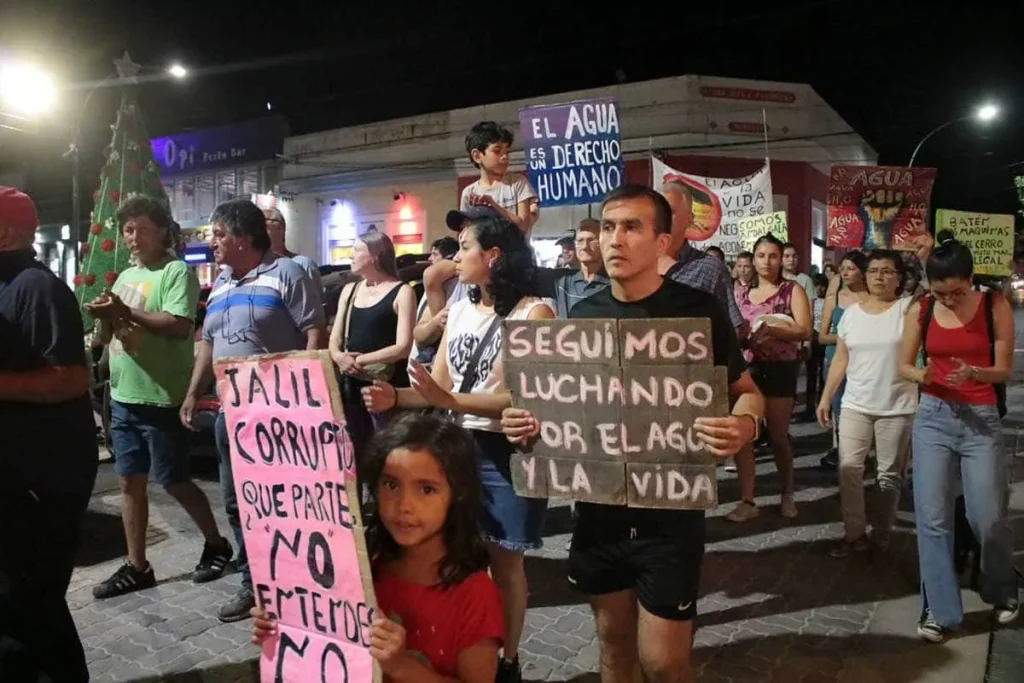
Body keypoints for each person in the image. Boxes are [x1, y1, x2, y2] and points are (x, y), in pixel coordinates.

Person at [501, 185, 764, 683]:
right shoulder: (582, 318)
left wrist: (743, 425)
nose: (614, 239)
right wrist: (526, 424)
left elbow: (745, 391)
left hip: (671, 518)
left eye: (631, 227)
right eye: (607, 227)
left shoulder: (698, 311)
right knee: (614, 646)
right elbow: (560, 411)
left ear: (664, 242)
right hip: (599, 514)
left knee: (664, 663)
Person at [363, 215, 553, 683]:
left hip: (507, 450)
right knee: (455, 557)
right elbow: (440, 385)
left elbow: (532, 396)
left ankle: (507, 661)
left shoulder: (536, 313)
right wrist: (397, 398)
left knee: (506, 563)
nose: (453, 259)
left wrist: (448, 401)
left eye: (462, 248)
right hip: (454, 446)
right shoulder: (461, 304)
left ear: (492, 256)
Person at [251, 415, 504, 682]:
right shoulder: (363, 567)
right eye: (391, 484)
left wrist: (401, 666)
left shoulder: (475, 596)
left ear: (458, 494)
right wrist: (283, 626)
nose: (404, 504)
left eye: (427, 489)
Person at [180, 198, 327, 623]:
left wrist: (308, 395)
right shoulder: (222, 283)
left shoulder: (288, 273)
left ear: (245, 238)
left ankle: (299, 582)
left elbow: (313, 332)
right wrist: (193, 393)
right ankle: (255, 582)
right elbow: (208, 342)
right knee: (238, 502)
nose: (213, 243)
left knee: (286, 501)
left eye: (220, 235)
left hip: (282, 414)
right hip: (233, 413)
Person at [86, 197, 232, 600]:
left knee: (173, 480)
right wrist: (103, 323)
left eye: (142, 229)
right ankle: (137, 566)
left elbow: (176, 325)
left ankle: (217, 544)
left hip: (160, 399)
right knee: (129, 482)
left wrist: (124, 312)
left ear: (164, 232)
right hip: (122, 397)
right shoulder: (124, 278)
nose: (133, 238)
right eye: (128, 230)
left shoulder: (175, 273)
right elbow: (110, 332)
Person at [899, 230, 1018, 642]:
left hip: (980, 418)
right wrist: (921, 373)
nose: (947, 299)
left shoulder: (994, 305)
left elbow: (1004, 368)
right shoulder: (922, 308)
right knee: (932, 520)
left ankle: (1002, 587)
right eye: (939, 291)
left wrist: (978, 374)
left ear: (970, 280)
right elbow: (903, 365)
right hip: (933, 416)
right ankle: (939, 610)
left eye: (955, 291)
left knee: (986, 518)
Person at [0, 186, 98, 683]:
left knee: (29, 604)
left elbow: (70, 378)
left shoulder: (36, 287)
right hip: (16, 480)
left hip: (44, 482)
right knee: (25, 607)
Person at [817, 251, 917, 557]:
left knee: (888, 477)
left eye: (887, 271)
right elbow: (842, 360)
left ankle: (882, 535)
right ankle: (854, 534)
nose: (879, 277)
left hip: (897, 407)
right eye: (873, 271)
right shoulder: (852, 314)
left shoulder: (909, 309)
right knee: (849, 470)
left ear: (900, 278)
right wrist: (825, 397)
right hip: (855, 405)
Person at [728, 234, 812, 522]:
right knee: (744, 435)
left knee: (777, 437)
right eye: (761, 255)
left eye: (773, 256)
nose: (767, 261)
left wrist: (773, 330)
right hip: (746, 370)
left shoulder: (792, 291)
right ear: (753, 258)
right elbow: (734, 328)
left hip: (780, 369)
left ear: (781, 259)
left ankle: (787, 494)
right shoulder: (739, 293)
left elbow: (804, 330)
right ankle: (747, 500)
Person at [330, 230, 416, 470]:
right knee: (350, 455)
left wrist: (361, 360)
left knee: (386, 453)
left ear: (376, 255)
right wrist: (339, 357)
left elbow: (403, 346)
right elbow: (334, 338)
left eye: (357, 250)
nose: (351, 255)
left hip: (385, 387)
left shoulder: (402, 292)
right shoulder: (350, 291)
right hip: (351, 387)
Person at [658, 180, 745, 333]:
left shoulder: (710, 270)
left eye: (669, 211)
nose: (662, 217)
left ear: (689, 218)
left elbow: (733, 331)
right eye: (657, 211)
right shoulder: (636, 265)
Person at [817, 251, 869, 468]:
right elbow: (822, 336)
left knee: (861, 408)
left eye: (851, 269)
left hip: (863, 364)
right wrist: (846, 338)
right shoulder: (835, 298)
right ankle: (841, 448)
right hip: (835, 361)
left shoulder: (871, 299)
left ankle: (860, 449)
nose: (845, 273)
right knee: (838, 406)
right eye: (843, 268)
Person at [461, 121, 538, 235]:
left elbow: (522, 226)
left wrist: (493, 206)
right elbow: (467, 233)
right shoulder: (469, 193)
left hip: (516, 253)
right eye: (497, 151)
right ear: (477, 156)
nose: (504, 157)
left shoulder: (518, 183)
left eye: (507, 151)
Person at [411, 237, 459, 369]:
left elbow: (431, 273)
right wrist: (435, 322)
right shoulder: (436, 286)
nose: (430, 259)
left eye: (435, 254)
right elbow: (418, 333)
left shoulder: (455, 284)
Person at [263, 206, 324, 304]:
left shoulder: (302, 265)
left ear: (280, 228)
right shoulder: (255, 270)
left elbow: (317, 307)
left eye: (263, 223)